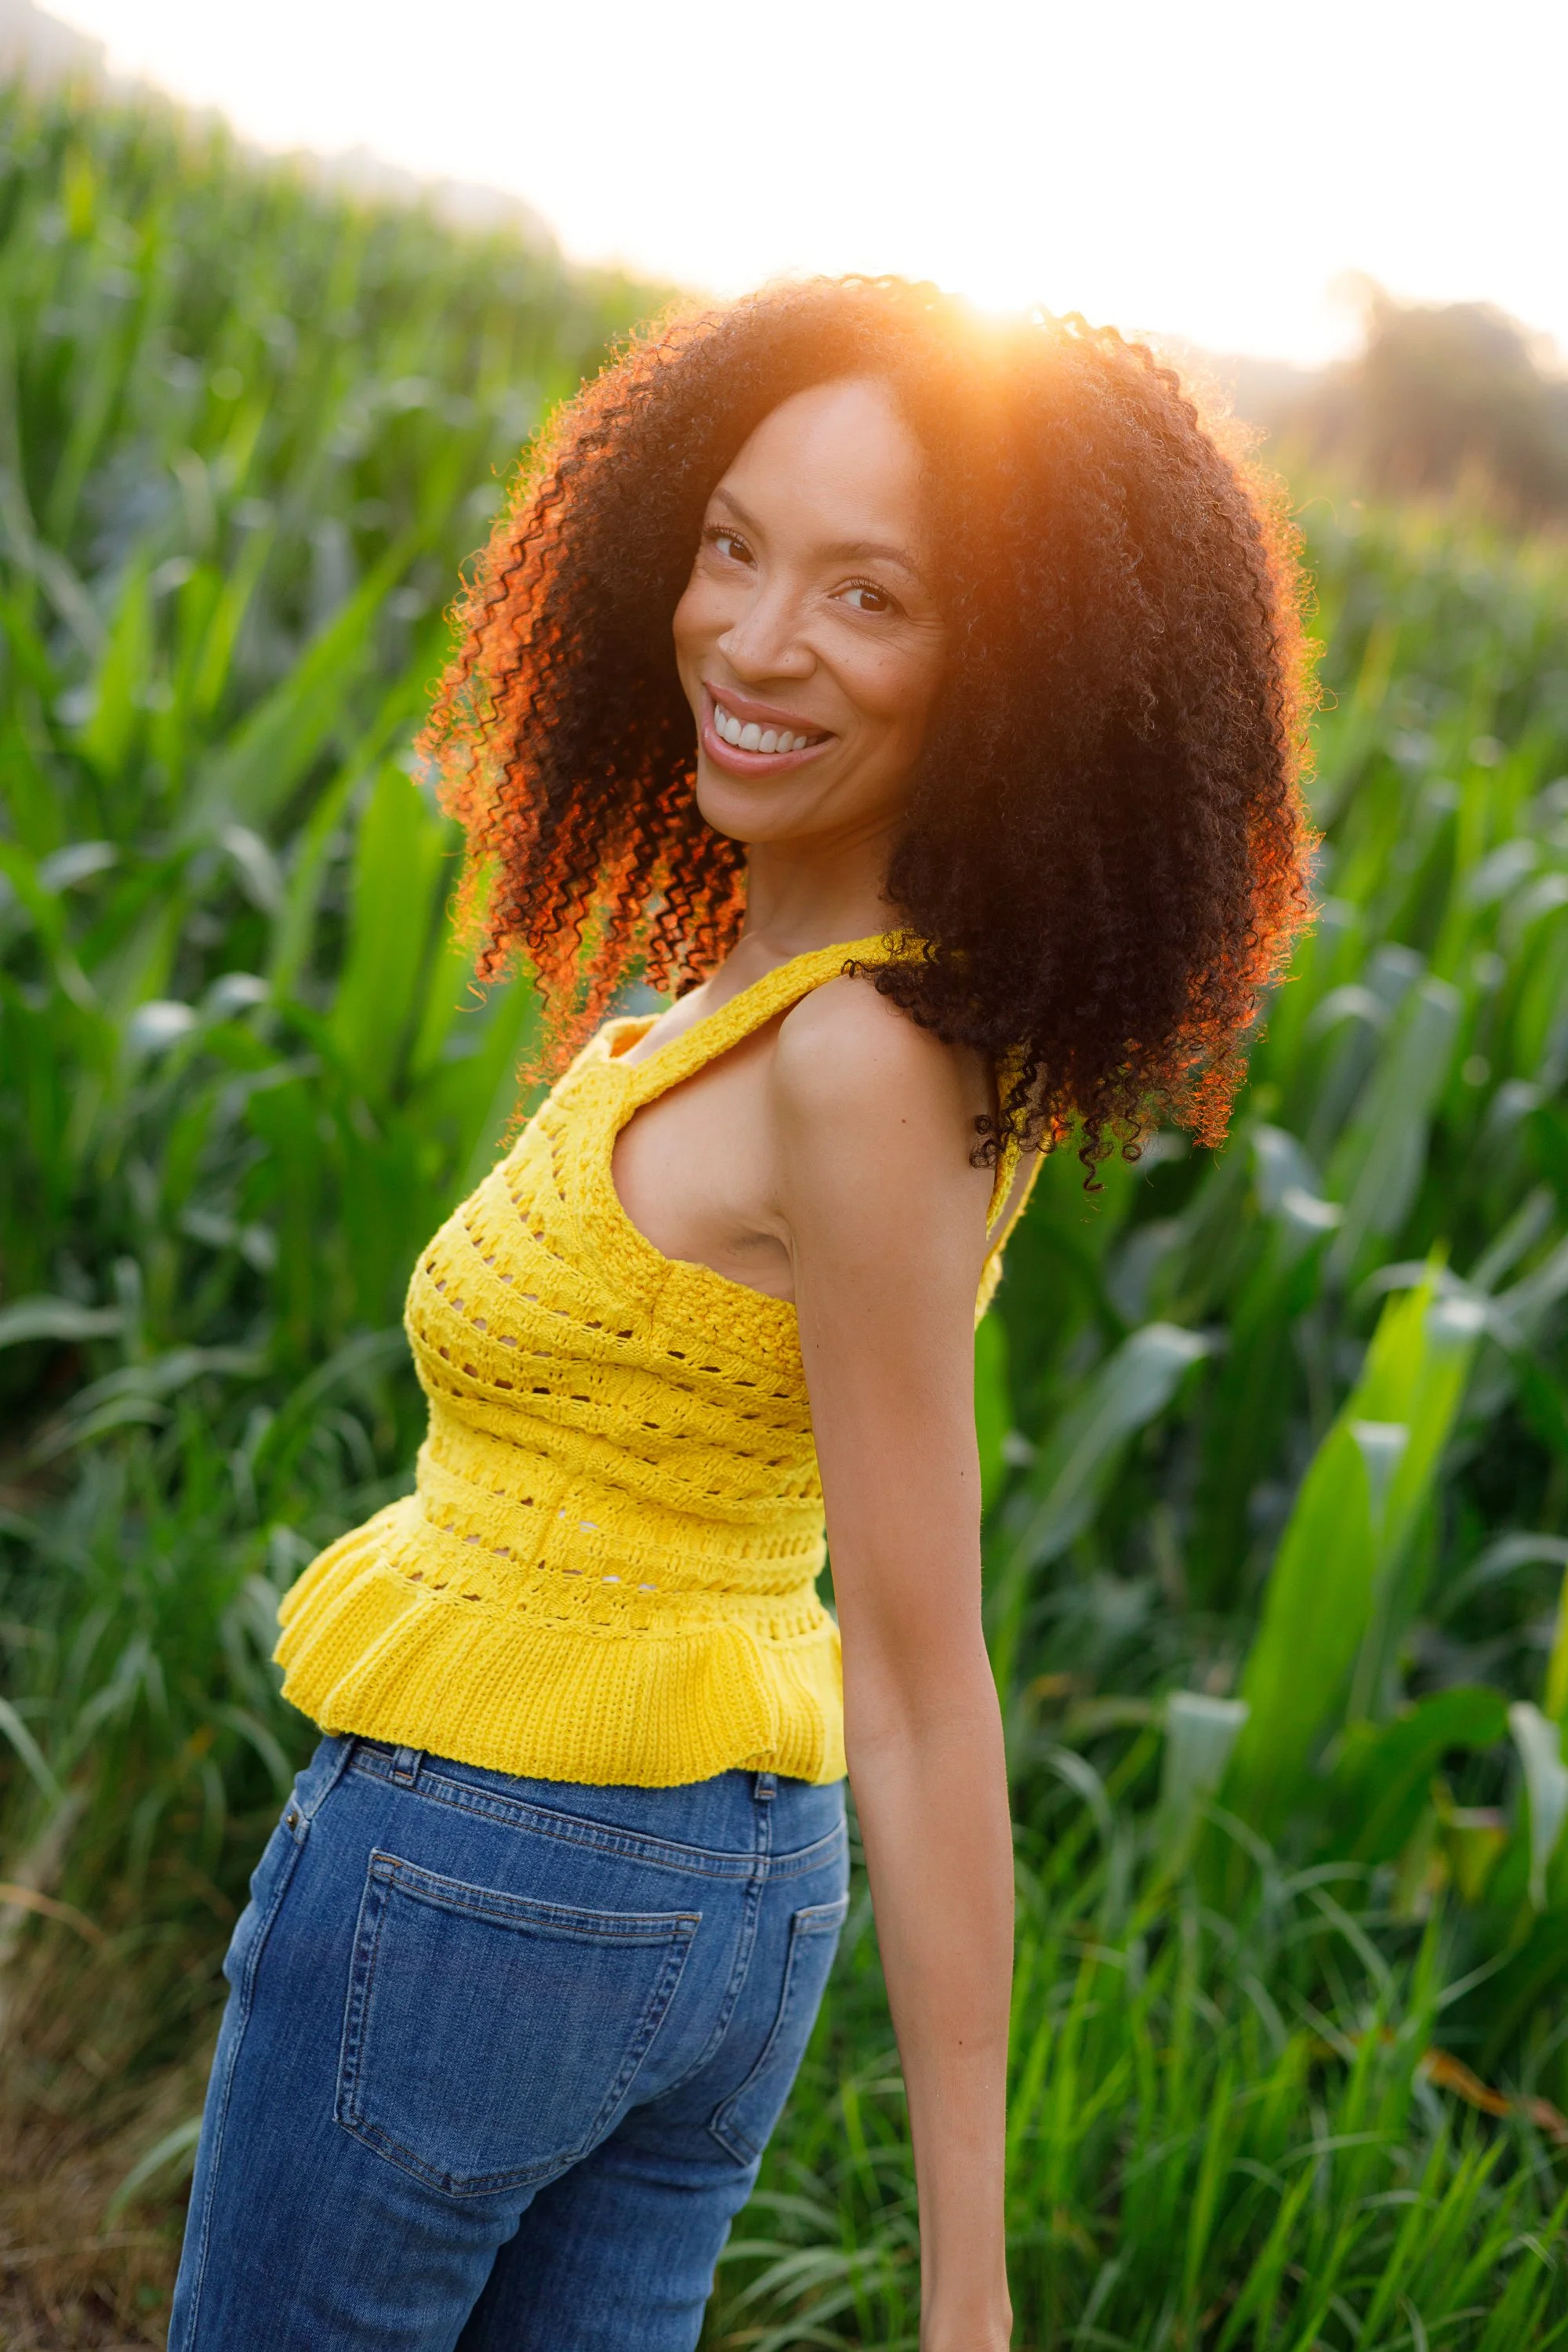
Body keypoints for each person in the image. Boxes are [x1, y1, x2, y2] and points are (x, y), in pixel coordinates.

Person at [169, 277, 1312, 2351]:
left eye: (872, 597)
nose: (757, 641)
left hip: (488, 1874)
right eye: (733, 545)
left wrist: (966, 2294)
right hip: (721, 1903)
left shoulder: (857, 1060)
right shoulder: (801, 1012)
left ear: (1015, 675)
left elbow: (926, 1667)